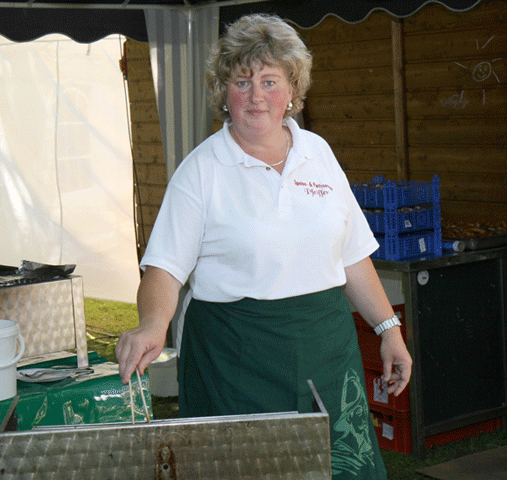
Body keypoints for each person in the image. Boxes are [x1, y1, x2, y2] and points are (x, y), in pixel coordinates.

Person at [116, 13, 412, 479]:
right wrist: (153, 325)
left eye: (270, 81)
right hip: (235, 359)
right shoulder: (202, 170)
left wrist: (388, 330)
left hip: (326, 351)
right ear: (223, 93)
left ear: (292, 90)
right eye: (242, 81)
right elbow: (165, 269)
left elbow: (352, 255)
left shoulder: (318, 153)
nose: (256, 95)